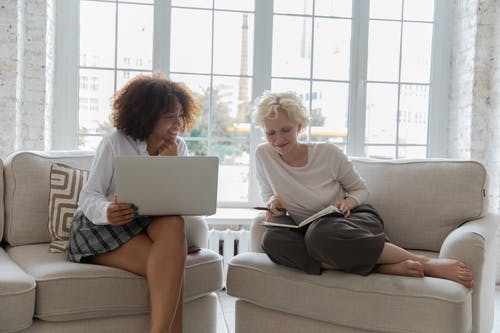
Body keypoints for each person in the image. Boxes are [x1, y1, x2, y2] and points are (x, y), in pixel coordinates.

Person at [251, 90, 474, 288]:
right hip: (305, 228)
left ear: (299, 126)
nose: (278, 139)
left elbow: (360, 190)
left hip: (349, 220)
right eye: (271, 132)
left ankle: (427, 263)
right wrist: (273, 201)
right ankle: (380, 267)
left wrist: (346, 203)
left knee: (320, 235)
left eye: (285, 130)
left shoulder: (327, 153)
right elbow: (267, 192)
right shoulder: (263, 155)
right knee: (272, 241)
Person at [66, 73, 201, 333]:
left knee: (174, 224)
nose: (178, 122)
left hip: (150, 220)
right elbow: (88, 196)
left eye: (181, 115)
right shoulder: (115, 142)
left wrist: (170, 164)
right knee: (171, 269)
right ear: (147, 115)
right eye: (169, 116)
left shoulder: (179, 146)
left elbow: (176, 199)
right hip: (105, 225)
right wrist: (107, 210)